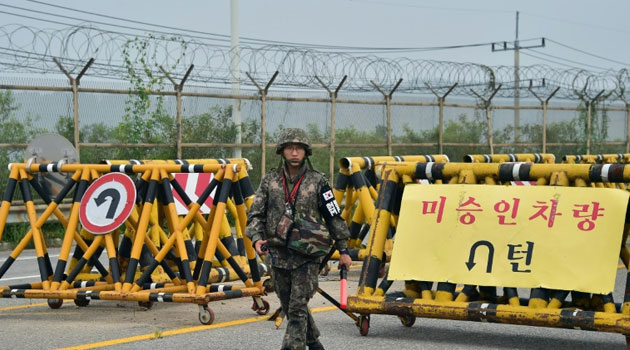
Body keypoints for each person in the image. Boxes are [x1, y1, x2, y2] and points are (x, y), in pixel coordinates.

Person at [246, 128, 352, 350]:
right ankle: (314, 345)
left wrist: (343, 251)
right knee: (292, 306)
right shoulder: (270, 181)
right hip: (278, 255)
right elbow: (255, 214)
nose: (294, 152)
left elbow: (333, 216)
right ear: (282, 151)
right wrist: (256, 238)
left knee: (296, 309)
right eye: (289, 148)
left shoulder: (318, 181)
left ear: (306, 152)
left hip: (307, 257)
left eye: (299, 148)